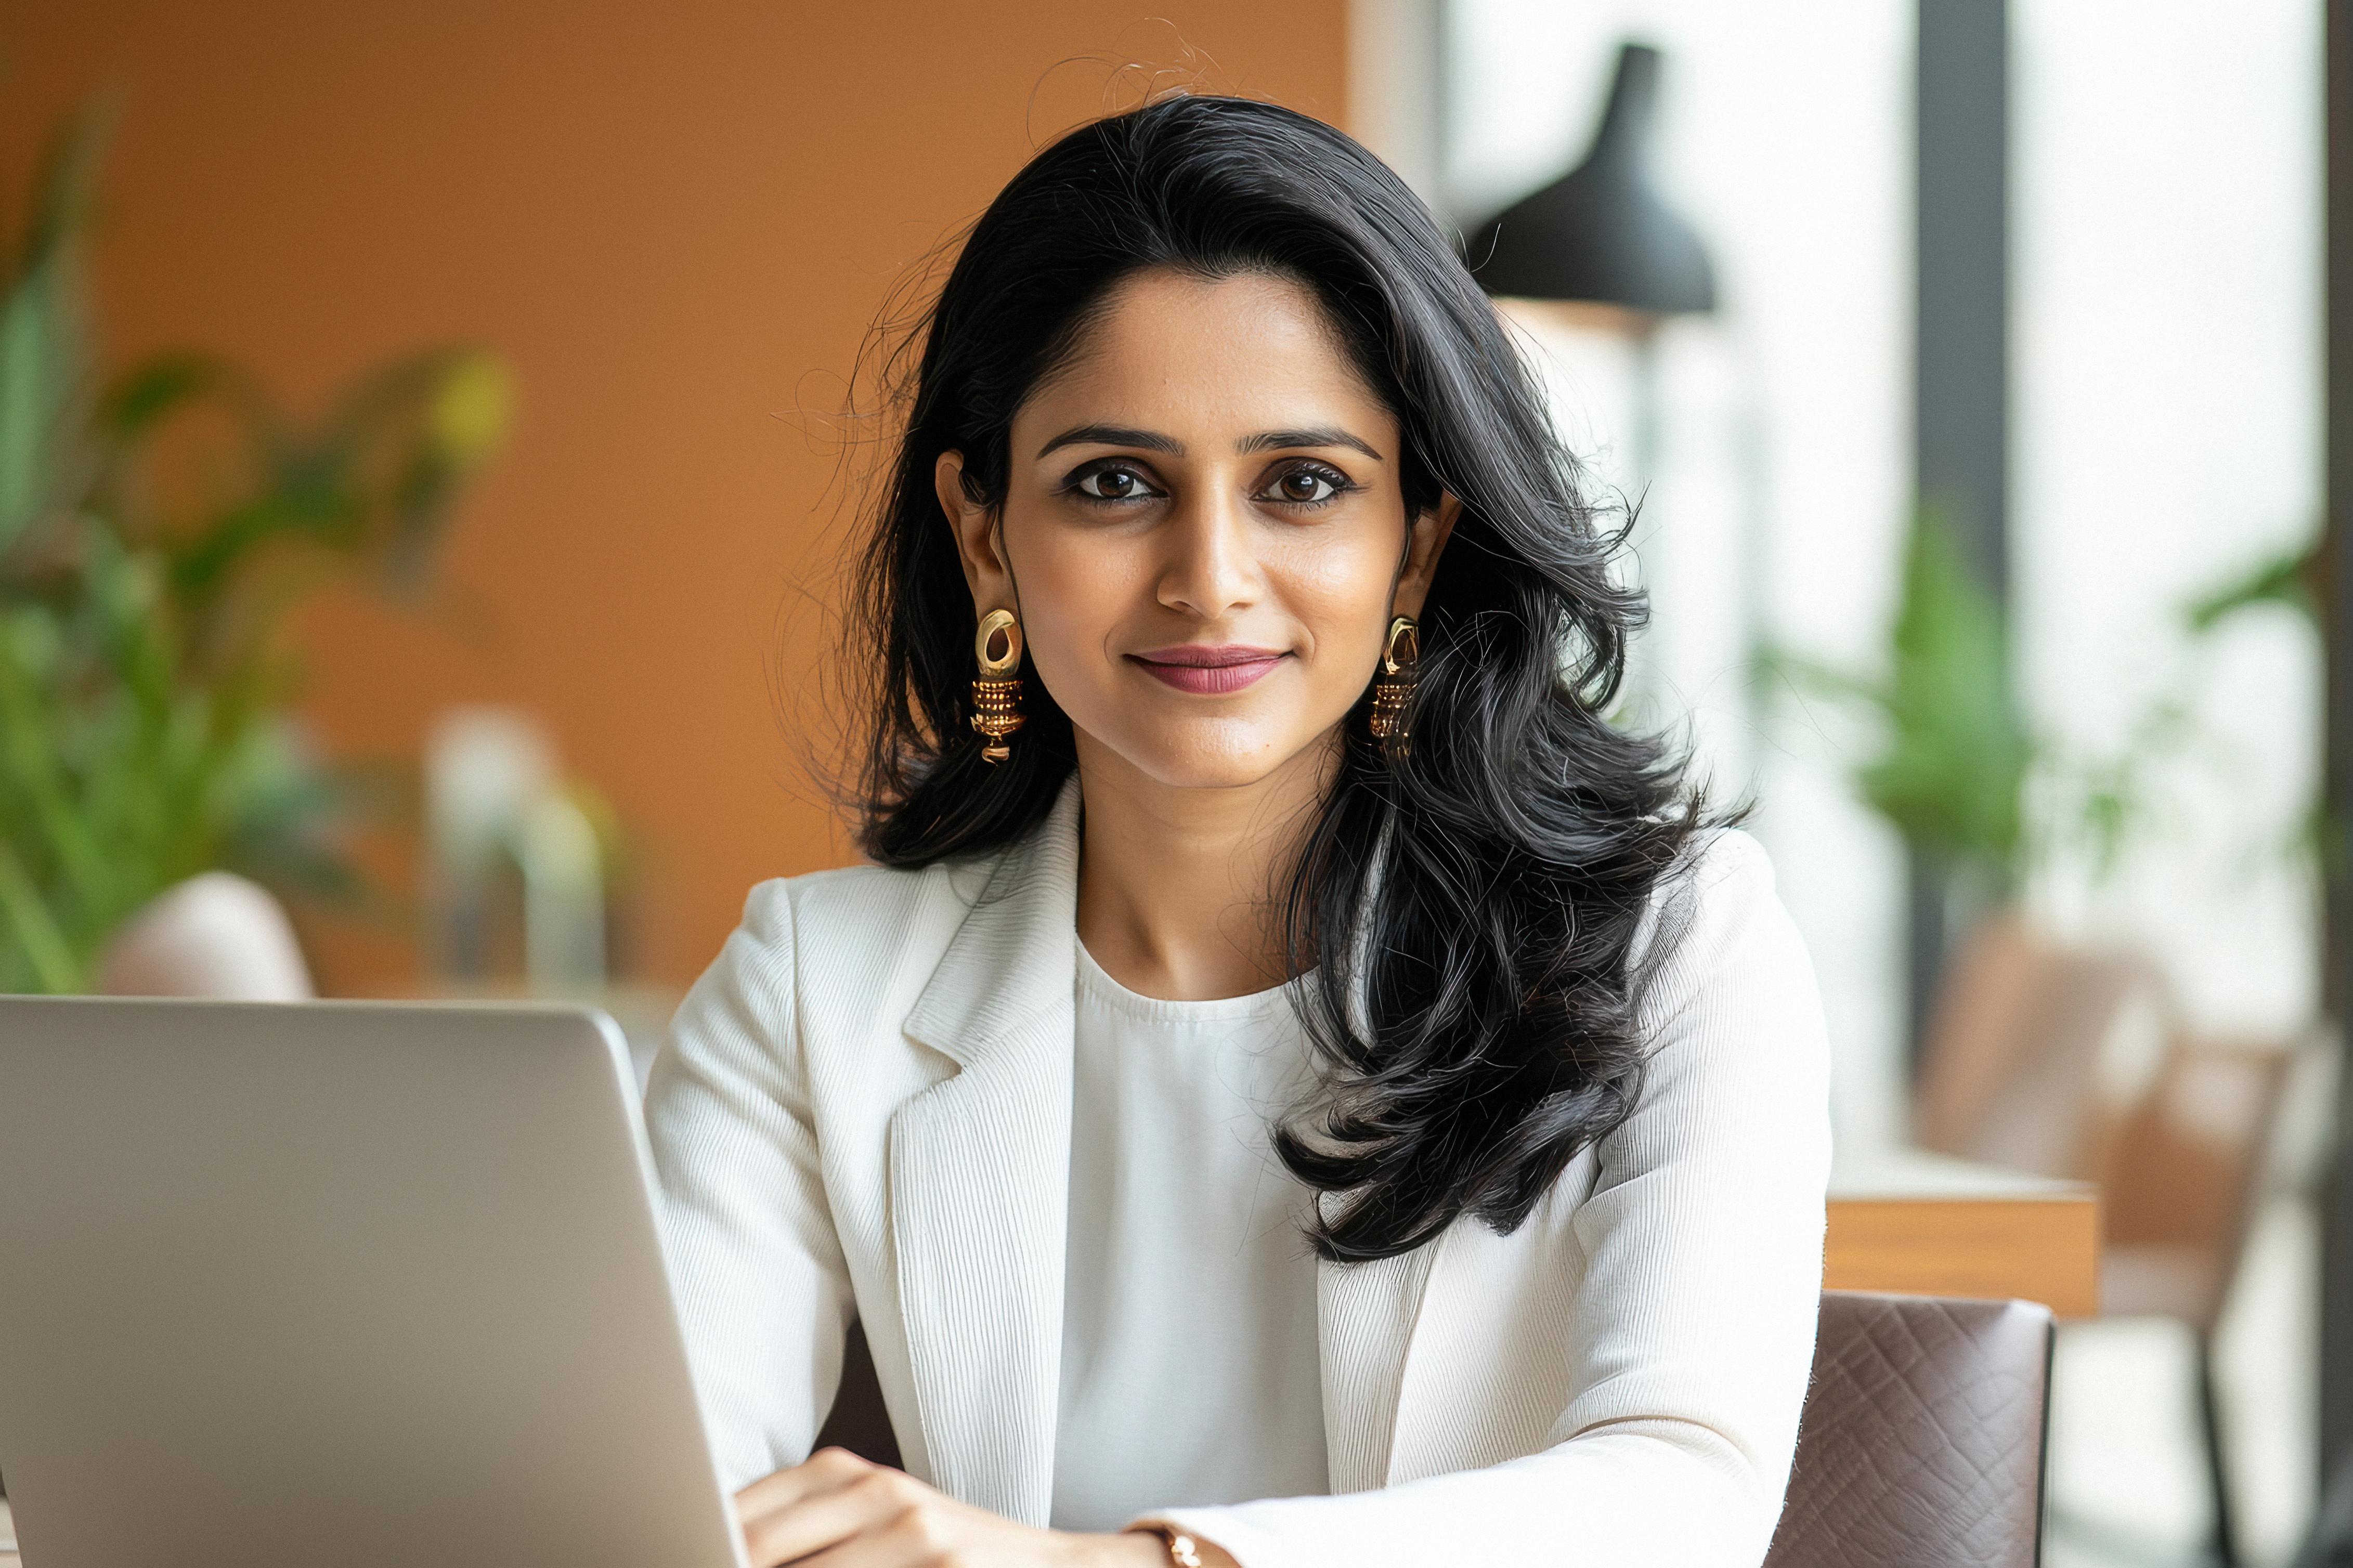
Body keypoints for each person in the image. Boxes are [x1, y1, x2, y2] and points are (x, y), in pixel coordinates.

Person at [646, 92, 1830, 1568]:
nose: (1210, 578)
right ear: (983, 532)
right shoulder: (814, 986)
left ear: (1419, 539)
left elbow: (1683, 1496)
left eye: (1304, 485)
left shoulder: (1679, 941)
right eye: (1115, 484)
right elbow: (645, 1488)